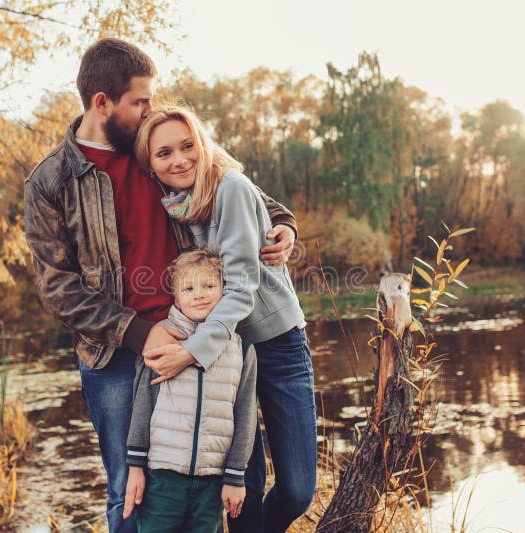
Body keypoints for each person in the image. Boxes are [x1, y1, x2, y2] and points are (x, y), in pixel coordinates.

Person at [23, 38, 297, 533]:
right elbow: (57, 288)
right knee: (129, 492)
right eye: (140, 101)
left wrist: (286, 225)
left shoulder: (162, 144)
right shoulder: (51, 181)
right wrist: (137, 331)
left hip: (197, 330)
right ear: (103, 103)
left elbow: (240, 187)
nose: (151, 109)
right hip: (114, 354)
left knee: (215, 485)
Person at [135, 105, 316, 533]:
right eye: (164, 154)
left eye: (186, 147)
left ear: (202, 144)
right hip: (226, 353)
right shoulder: (178, 206)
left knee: (296, 490)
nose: (179, 160)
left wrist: (190, 353)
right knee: (242, 492)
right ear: (151, 165)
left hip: (274, 344)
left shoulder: (229, 187)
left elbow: (241, 287)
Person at [122, 247, 257, 532]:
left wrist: (235, 477)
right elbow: (142, 404)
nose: (199, 294)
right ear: (176, 296)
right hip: (162, 477)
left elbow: (246, 416)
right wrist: (136, 466)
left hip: (212, 480)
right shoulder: (161, 338)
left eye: (209, 285)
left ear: (224, 289)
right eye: (189, 287)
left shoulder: (241, 349)